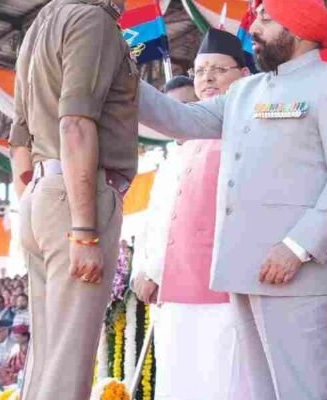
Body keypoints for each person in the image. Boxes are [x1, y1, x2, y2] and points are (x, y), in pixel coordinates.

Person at [138, 0, 327, 397]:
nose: (255, 29)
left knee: (304, 392)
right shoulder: (245, 91)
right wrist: (120, 74)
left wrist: (297, 247)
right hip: (246, 272)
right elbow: (180, 119)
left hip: (301, 274)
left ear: (298, 27)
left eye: (266, 18)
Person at [9, 0, 139, 398]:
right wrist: (83, 229)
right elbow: (75, 123)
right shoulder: (93, 20)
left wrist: (34, 202)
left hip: (41, 193)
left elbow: (18, 138)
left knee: (47, 360)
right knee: (68, 366)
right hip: (76, 199)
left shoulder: (41, 24)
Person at [132, 29, 251, 400]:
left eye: (218, 69)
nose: (208, 78)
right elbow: (157, 217)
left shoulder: (251, 132)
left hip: (226, 290)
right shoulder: (181, 148)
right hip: (173, 291)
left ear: (244, 75)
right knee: (178, 385)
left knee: (226, 383)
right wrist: (145, 270)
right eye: (200, 71)